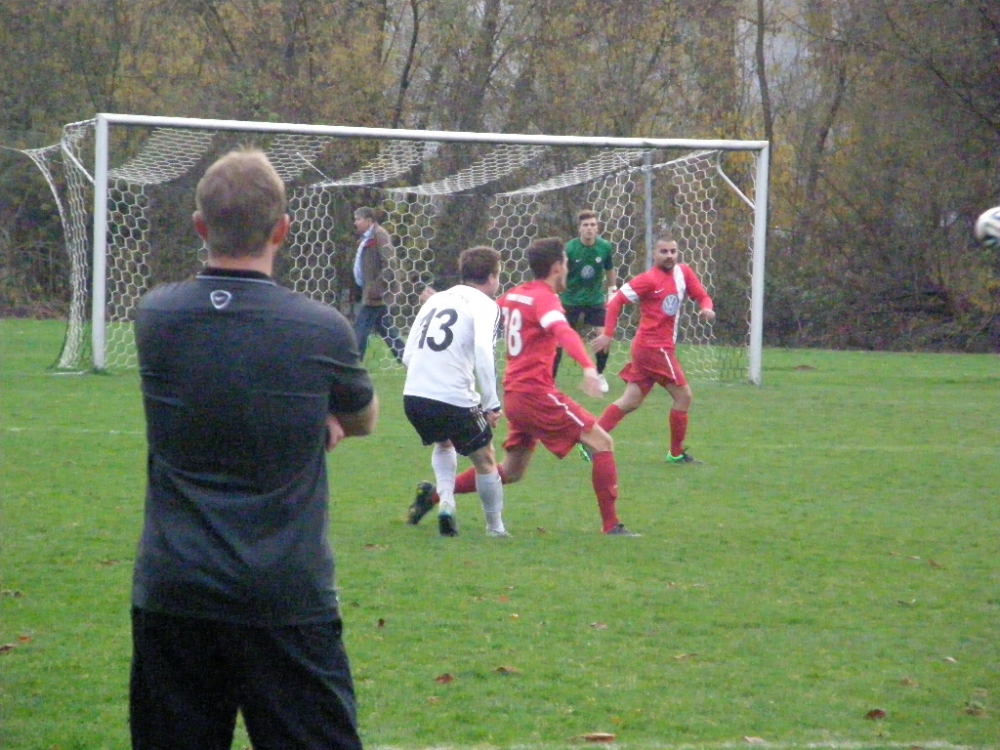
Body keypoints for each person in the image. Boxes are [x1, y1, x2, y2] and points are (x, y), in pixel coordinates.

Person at [130, 149, 379, 750]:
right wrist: (317, 418)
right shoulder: (320, 328)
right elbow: (363, 418)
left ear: (200, 226)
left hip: (175, 588)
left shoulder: (156, 315)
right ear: (282, 230)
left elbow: (221, 385)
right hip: (285, 593)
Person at [409, 237, 638, 537]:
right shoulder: (544, 298)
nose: (568, 269)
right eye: (566, 264)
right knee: (601, 442)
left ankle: (434, 496)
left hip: (515, 396)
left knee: (512, 470)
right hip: (535, 393)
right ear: (557, 267)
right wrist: (587, 366)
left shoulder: (515, 295)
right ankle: (612, 526)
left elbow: (472, 308)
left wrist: (439, 300)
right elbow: (562, 330)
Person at [402, 246, 508, 538]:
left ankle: (446, 504)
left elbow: (408, 354)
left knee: (444, 443)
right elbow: (484, 351)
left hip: (414, 396)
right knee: (485, 458)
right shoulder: (487, 305)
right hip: (452, 397)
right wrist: (491, 404)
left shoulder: (436, 299)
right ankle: (496, 529)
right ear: (492, 277)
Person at [591, 233, 715, 464]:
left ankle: (589, 440)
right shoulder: (648, 280)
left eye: (673, 251)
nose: (669, 256)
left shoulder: (683, 273)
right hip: (653, 347)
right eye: (664, 251)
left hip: (651, 348)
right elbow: (615, 301)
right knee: (683, 397)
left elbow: (702, 295)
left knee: (631, 400)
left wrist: (707, 308)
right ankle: (675, 454)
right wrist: (608, 334)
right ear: (654, 254)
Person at [552, 210, 618, 393]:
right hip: (570, 300)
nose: (589, 228)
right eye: (586, 225)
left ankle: (600, 374)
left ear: (597, 228)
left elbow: (609, 269)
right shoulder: (569, 249)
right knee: (558, 341)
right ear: (579, 228)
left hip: (595, 299)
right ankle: (550, 380)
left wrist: (613, 290)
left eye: (593, 225)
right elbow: (559, 273)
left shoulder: (604, 247)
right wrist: (556, 293)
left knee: (604, 337)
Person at [351, 205, 405, 363]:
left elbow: (390, 264)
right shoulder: (365, 238)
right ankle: (410, 361)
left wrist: (376, 288)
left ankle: (353, 365)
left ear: (369, 221)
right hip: (371, 294)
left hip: (377, 295)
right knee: (388, 332)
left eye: (358, 219)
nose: (355, 223)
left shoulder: (380, 235)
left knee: (359, 331)